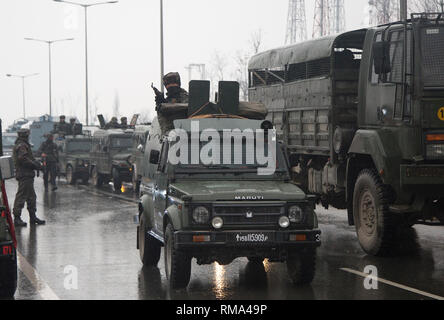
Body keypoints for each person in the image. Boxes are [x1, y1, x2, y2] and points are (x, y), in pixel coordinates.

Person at [12, 129, 46, 227]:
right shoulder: (22, 145)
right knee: (21, 196)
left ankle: (33, 217)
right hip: (24, 174)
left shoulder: (24, 145)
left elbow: (29, 158)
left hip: (27, 174)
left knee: (31, 197)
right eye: (28, 134)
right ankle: (17, 218)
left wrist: (36, 163)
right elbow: (23, 159)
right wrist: (36, 165)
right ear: (25, 135)